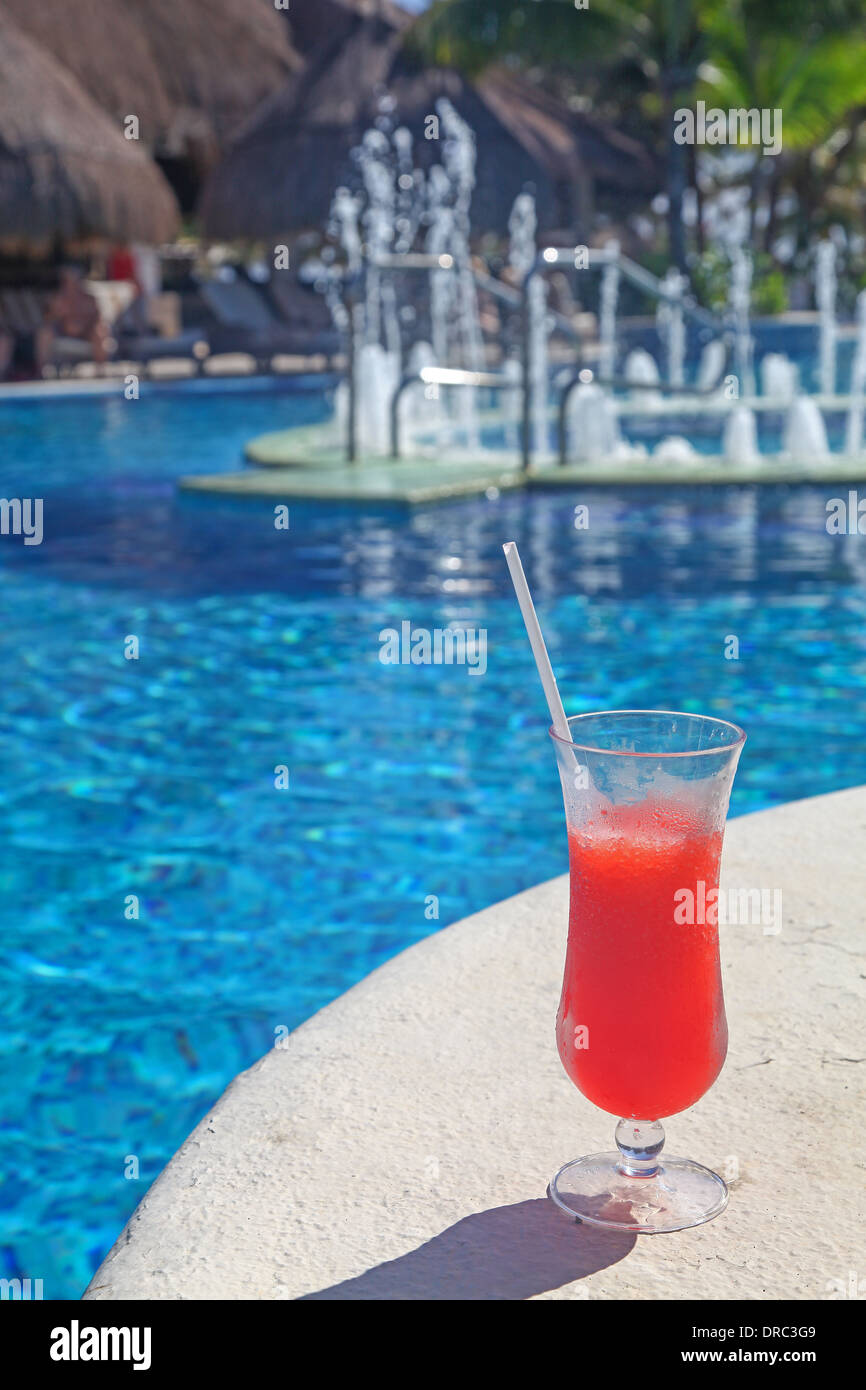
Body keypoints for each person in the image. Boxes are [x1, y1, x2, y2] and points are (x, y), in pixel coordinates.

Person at [37, 267, 109, 370]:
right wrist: (60, 311)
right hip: (64, 332)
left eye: (74, 281)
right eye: (67, 281)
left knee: (100, 332)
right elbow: (48, 319)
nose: (70, 284)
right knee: (44, 332)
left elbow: (98, 319)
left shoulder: (89, 299)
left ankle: (101, 370)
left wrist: (83, 322)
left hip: (86, 335)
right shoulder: (58, 299)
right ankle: (42, 370)